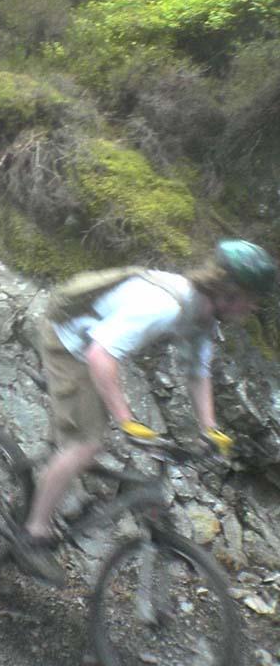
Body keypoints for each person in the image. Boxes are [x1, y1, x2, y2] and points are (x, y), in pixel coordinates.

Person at [14, 240, 277, 586]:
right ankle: (33, 535)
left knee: (86, 437)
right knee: (86, 444)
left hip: (96, 345)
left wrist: (211, 429)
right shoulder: (163, 306)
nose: (253, 307)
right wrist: (126, 420)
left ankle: (51, 471)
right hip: (71, 343)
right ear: (229, 292)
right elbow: (99, 356)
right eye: (251, 298)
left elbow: (198, 373)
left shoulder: (203, 317)